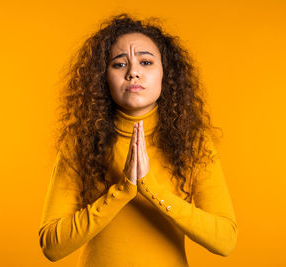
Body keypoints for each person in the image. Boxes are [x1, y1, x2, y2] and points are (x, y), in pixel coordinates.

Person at [38, 13, 238, 266]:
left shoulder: (193, 143)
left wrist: (149, 186)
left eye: (145, 62)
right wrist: (122, 190)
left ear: (166, 73)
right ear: (103, 77)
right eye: (119, 64)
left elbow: (225, 241)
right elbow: (52, 246)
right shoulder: (79, 143)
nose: (133, 72)